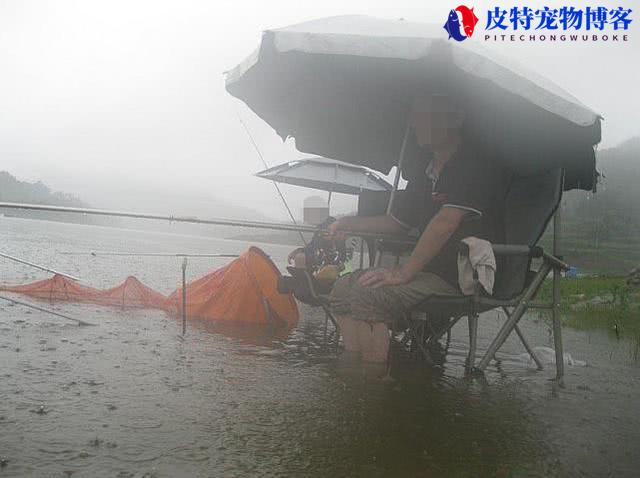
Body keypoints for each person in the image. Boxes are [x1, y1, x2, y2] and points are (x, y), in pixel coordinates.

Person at [327, 92, 509, 362]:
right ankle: (354, 369)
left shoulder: (473, 166)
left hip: (458, 276)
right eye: (415, 115)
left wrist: (402, 273)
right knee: (341, 288)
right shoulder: (427, 172)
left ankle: (371, 383)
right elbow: (395, 223)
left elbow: (445, 224)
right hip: (426, 272)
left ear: (456, 118)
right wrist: (346, 222)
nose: (415, 122)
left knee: (369, 295)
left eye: (425, 114)